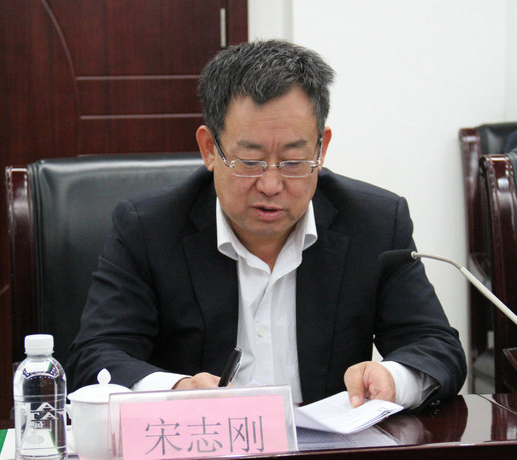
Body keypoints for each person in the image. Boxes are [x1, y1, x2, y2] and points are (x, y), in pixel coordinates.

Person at [66, 40, 466, 410]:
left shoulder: (375, 223)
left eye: (293, 161)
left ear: (321, 148)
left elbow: (436, 347)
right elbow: (95, 358)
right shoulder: (148, 229)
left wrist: (393, 378)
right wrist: (177, 390)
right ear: (209, 149)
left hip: (328, 450)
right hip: (204, 445)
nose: (271, 185)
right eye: (250, 161)